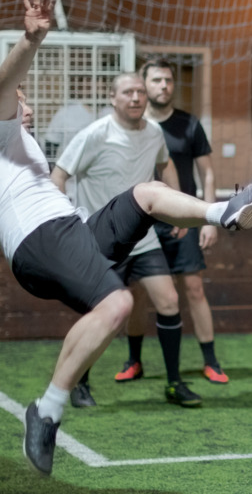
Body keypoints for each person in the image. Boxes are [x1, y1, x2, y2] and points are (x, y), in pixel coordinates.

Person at [0, 0, 252, 476]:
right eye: (19, 99)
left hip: (70, 229)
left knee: (145, 194)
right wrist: (32, 39)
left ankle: (225, 210)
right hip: (42, 242)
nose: (25, 104)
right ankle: (48, 410)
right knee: (119, 302)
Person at [51, 72, 202, 409]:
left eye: (139, 92)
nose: (136, 98)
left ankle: (175, 383)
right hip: (102, 241)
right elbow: (58, 175)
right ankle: (80, 384)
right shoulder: (94, 134)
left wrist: (177, 206)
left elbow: (166, 166)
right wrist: (68, 221)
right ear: (112, 98)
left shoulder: (154, 133)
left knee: (169, 302)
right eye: (128, 92)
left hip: (144, 238)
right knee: (100, 314)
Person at [113, 58, 228, 386]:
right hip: (141, 222)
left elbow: (207, 172)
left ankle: (211, 361)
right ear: (143, 85)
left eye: (168, 80)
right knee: (137, 292)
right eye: (157, 80)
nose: (164, 86)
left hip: (182, 220)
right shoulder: (133, 126)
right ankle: (134, 360)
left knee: (193, 288)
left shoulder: (189, 124)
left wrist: (207, 217)